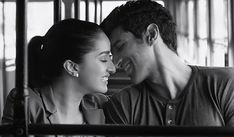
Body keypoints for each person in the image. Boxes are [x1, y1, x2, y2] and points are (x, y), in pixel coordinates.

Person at [100, 0, 234, 126]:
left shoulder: (226, 85)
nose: (115, 63)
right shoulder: (123, 104)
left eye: (120, 46)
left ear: (151, 34)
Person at [2, 18, 116, 125]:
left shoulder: (100, 104)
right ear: (72, 67)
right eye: (103, 59)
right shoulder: (26, 102)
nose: (113, 69)